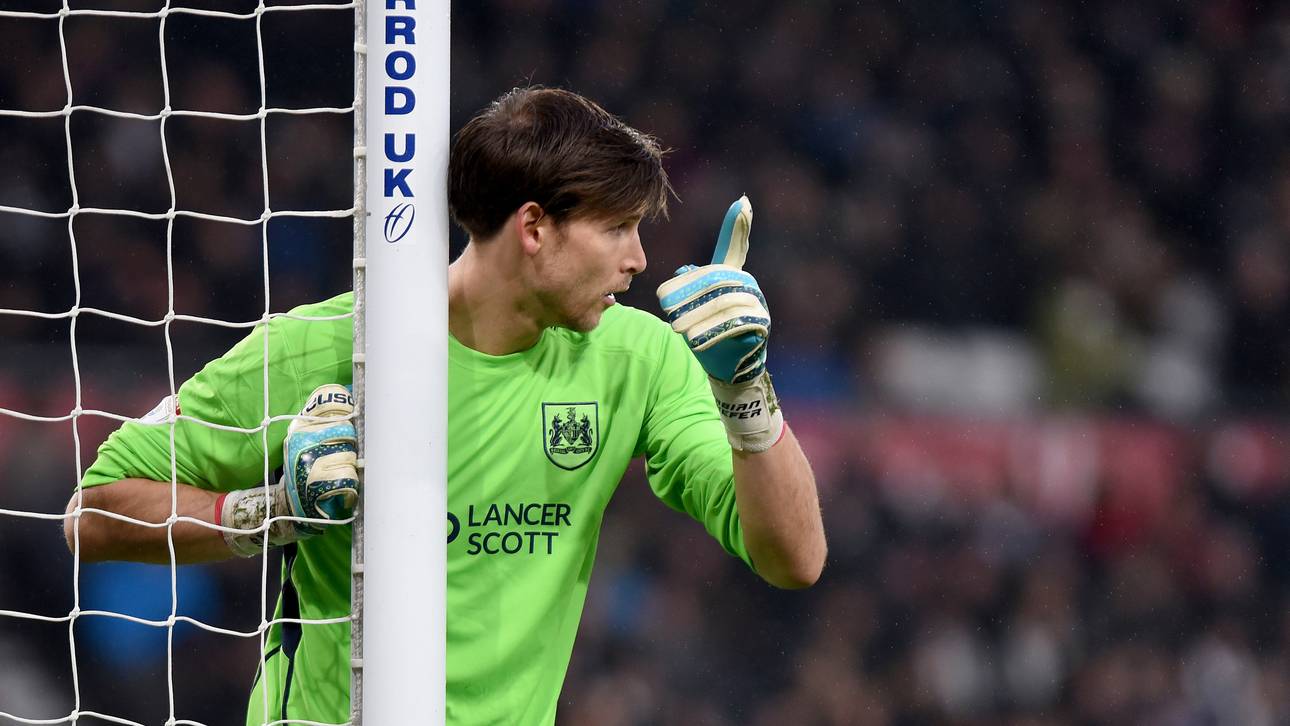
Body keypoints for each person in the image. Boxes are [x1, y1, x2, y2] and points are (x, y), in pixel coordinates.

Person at [65, 87, 827, 725]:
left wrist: (745, 388)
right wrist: (277, 511)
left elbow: (796, 558)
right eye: (618, 228)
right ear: (534, 227)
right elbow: (90, 516)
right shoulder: (329, 349)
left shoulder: (640, 359)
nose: (639, 259)